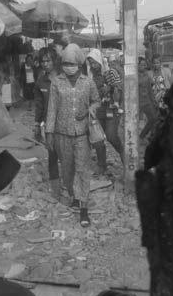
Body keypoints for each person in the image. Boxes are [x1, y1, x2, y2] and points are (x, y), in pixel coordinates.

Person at [45, 44, 100, 227]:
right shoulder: (56, 82)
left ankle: (84, 208)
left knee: (83, 169)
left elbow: (96, 101)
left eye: (71, 63)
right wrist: (49, 133)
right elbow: (52, 109)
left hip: (82, 134)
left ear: (78, 63)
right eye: (65, 63)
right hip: (62, 133)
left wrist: (88, 111)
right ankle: (73, 195)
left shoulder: (88, 82)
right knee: (67, 170)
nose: (68, 66)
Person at [86, 49, 123, 175]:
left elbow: (119, 87)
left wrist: (110, 87)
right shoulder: (89, 77)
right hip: (97, 111)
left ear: (100, 61)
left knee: (112, 136)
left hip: (111, 109)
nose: (93, 66)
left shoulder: (110, 72)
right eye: (91, 63)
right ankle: (102, 165)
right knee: (98, 139)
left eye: (95, 63)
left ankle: (125, 156)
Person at [33, 47, 60, 198]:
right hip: (48, 124)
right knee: (52, 155)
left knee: (68, 155)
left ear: (54, 61)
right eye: (42, 61)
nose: (45, 64)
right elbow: (39, 105)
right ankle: (55, 188)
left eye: (48, 60)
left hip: (66, 124)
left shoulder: (64, 78)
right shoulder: (40, 82)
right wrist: (37, 124)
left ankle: (72, 187)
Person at [138, 57, 160, 140]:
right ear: (138, 65)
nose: (144, 66)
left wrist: (154, 102)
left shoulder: (146, 75)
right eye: (142, 64)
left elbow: (149, 90)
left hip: (146, 101)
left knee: (153, 118)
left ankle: (142, 135)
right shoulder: (134, 76)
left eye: (145, 65)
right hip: (138, 102)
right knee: (136, 121)